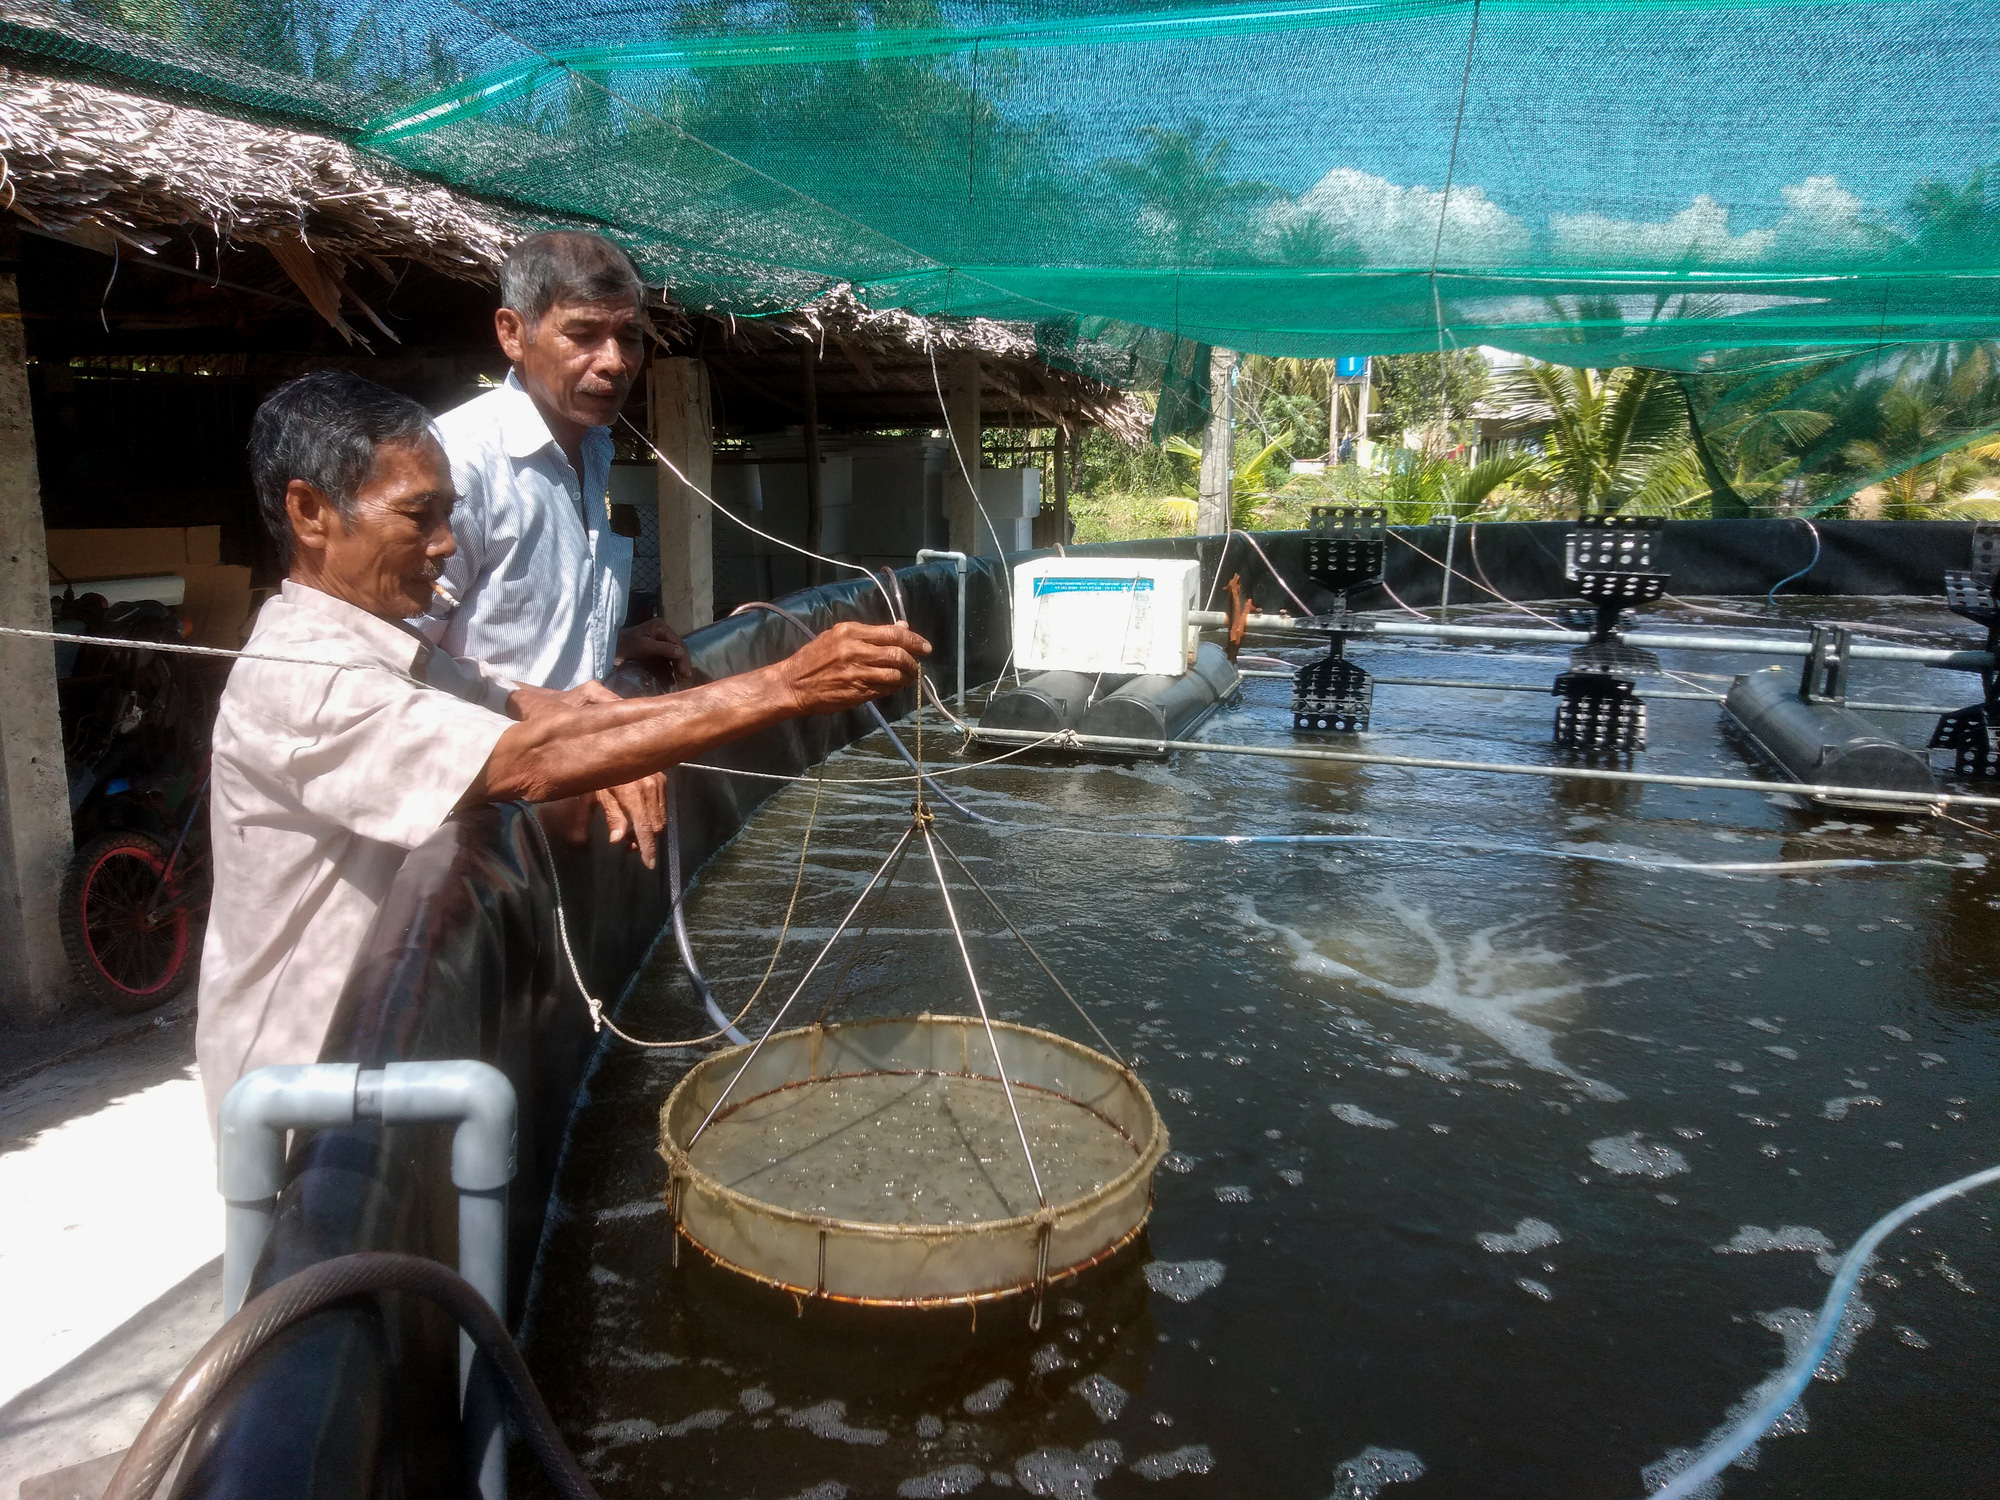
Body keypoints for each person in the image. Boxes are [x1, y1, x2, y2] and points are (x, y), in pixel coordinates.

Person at [194, 370, 928, 1128]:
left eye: (450, 515)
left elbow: (531, 708)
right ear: (311, 512)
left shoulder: (389, 647)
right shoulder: (305, 677)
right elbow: (530, 759)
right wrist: (791, 686)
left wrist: (614, 737)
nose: (446, 545)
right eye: (419, 517)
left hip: (379, 1058)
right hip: (298, 1088)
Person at [421, 229, 681, 862]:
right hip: (475, 828)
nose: (615, 361)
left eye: (630, 337)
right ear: (513, 334)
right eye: (584, 334)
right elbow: (389, 661)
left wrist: (611, 643)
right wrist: (536, 708)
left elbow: (493, 625)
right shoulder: (458, 465)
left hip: (568, 804)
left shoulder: (594, 447)